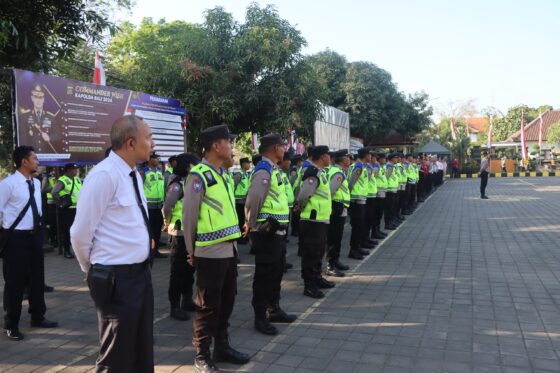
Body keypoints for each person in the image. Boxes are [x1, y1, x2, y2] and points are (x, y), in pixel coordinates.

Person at [71, 115, 155, 371]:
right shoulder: (104, 176)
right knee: (116, 355)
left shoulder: (133, 174)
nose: (152, 143)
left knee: (142, 349)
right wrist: (91, 270)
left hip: (140, 275)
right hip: (116, 280)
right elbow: (80, 233)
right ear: (130, 143)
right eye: (148, 138)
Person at [183, 124, 249, 373]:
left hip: (229, 250)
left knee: (227, 301)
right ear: (215, 145)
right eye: (228, 142)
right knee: (207, 305)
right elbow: (190, 216)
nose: (231, 146)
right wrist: (191, 250)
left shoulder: (222, 174)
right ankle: (201, 355)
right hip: (209, 252)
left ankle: (222, 346)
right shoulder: (199, 176)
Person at [0, 146, 58, 341]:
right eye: (34, 158)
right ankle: (11, 324)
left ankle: (38, 316)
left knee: (37, 279)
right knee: (15, 283)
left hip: (35, 236)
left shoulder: (35, 182)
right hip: (16, 238)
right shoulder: (8, 184)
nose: (38, 161)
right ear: (24, 161)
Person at [244, 133, 297, 335]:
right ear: (275, 148)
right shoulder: (264, 169)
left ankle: (274, 309)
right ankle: (260, 317)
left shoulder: (273, 170)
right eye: (283, 146)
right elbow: (254, 197)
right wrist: (251, 224)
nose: (285, 149)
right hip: (267, 232)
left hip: (277, 231)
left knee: (276, 272)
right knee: (265, 275)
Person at [162, 153, 199, 321]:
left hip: (192, 232)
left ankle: (187, 300)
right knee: (177, 271)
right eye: (193, 164)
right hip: (179, 233)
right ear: (187, 165)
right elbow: (168, 206)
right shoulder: (177, 185)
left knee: (189, 270)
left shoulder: (190, 182)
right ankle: (174, 306)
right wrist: (167, 222)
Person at [297, 145, 334, 299]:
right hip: (312, 219)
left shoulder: (320, 172)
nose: (330, 158)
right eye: (328, 155)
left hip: (320, 219)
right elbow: (304, 195)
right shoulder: (313, 172)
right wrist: (302, 208)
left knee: (318, 252)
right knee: (311, 254)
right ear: (322, 157)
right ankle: (309, 285)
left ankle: (317, 278)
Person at [325, 149, 351, 277]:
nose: (349, 159)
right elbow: (330, 191)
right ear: (342, 159)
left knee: (337, 236)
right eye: (347, 157)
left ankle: (335, 260)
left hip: (339, 206)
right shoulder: (337, 173)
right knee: (334, 237)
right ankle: (330, 265)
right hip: (336, 207)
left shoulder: (338, 171)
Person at [52, 163, 82, 259]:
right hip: (67, 210)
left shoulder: (77, 179)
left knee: (78, 231)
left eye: (76, 169)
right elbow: (54, 192)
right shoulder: (62, 180)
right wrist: (61, 203)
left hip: (78, 209)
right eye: (74, 169)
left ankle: (77, 250)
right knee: (67, 231)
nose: (76, 171)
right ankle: (67, 250)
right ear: (68, 170)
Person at [19, 84, 59, 153]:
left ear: (44, 99)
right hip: (31, 157)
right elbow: (22, 139)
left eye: (41, 97)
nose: (38, 100)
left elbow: (58, 135)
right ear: (32, 98)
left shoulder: (51, 117)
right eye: (36, 97)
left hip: (47, 157)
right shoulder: (24, 117)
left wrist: (50, 137)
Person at [347, 148, 370, 259]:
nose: (370, 156)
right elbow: (351, 183)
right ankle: (353, 250)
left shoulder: (361, 166)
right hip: (356, 200)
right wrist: (350, 197)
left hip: (360, 199)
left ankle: (358, 247)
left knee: (360, 226)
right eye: (369, 154)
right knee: (357, 226)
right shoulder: (358, 166)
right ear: (365, 155)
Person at [142, 151, 165, 257]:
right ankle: (149, 251)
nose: (157, 160)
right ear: (149, 160)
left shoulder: (159, 171)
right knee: (149, 230)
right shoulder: (143, 172)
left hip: (159, 206)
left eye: (157, 158)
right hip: (148, 206)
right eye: (155, 158)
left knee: (157, 228)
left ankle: (155, 249)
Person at [233, 157, 251, 244]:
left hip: (244, 201)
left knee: (244, 219)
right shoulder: (238, 174)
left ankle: (244, 236)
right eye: (248, 163)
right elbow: (233, 186)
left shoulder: (245, 174)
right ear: (243, 164)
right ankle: (239, 238)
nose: (249, 165)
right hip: (238, 201)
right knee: (240, 220)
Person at [41, 166, 59, 247]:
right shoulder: (47, 178)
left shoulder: (60, 177)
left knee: (59, 222)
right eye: (53, 170)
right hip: (51, 203)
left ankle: (58, 239)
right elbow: (43, 189)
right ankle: (52, 240)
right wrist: (54, 188)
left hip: (59, 202)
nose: (54, 172)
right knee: (53, 223)